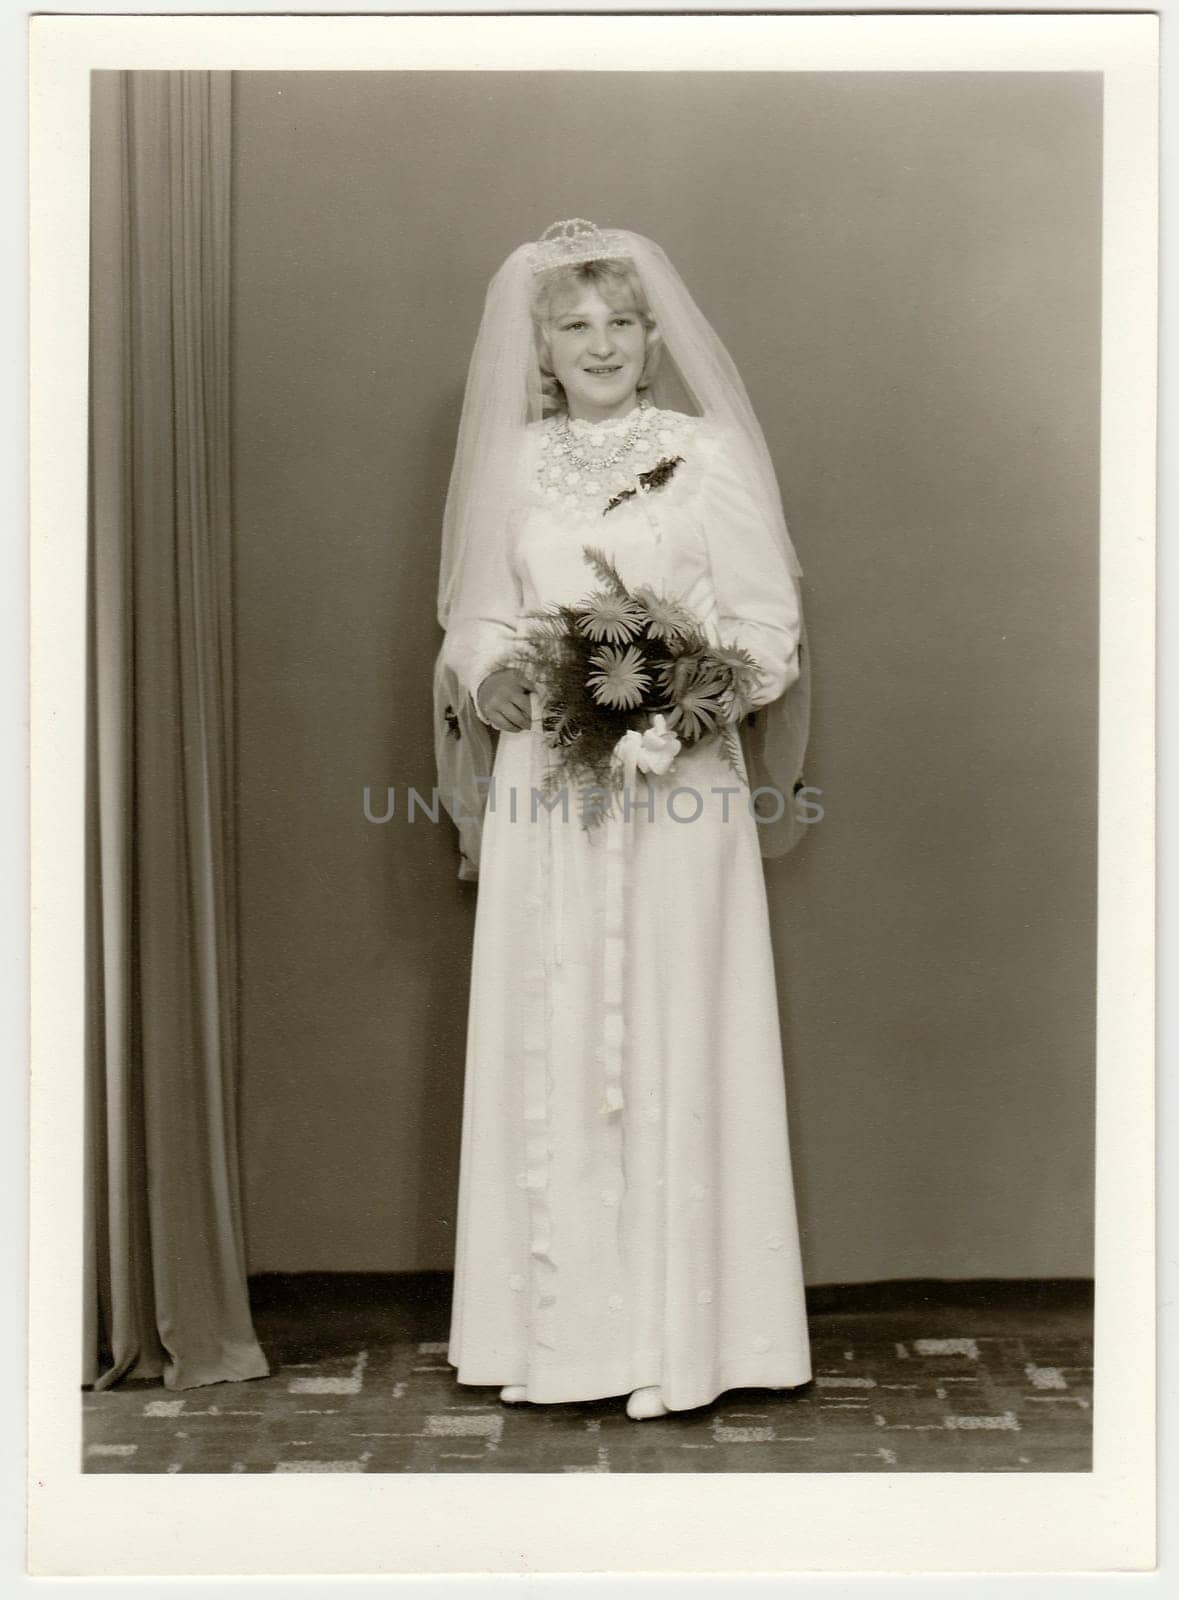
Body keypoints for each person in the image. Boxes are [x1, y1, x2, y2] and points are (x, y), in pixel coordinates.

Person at [433, 220, 813, 1419]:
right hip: (549, 784)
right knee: (553, 1020)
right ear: (541, 346)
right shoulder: (509, 462)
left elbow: (764, 627)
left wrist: (690, 703)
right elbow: (478, 619)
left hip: (676, 787)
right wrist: (486, 671)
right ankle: (557, 1339)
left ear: (654, 341)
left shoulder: (705, 455)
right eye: (573, 324)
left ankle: (689, 1340)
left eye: (620, 322)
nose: (598, 344)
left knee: (668, 1018)